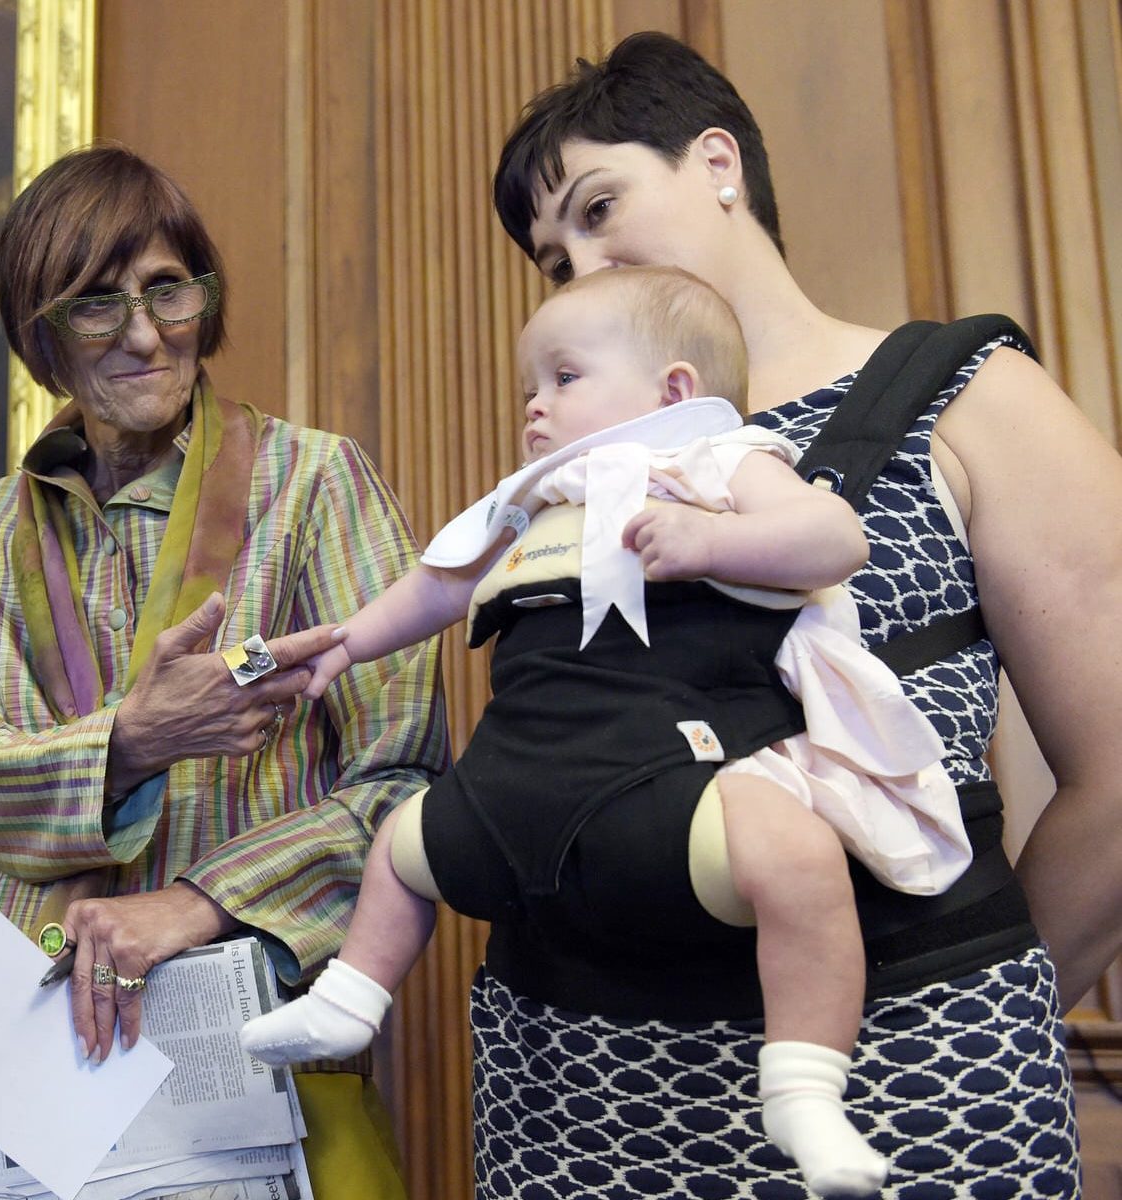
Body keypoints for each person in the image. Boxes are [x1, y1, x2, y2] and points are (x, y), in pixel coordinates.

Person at [434, 30, 1120, 1199]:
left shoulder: (965, 392)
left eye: (601, 208)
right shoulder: (575, 453)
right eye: (554, 258)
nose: (584, 264)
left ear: (717, 163)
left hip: (909, 1085)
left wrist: (975, 997)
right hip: (575, 1088)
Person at [242, 264, 977, 1196]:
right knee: (402, 840)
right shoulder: (533, 500)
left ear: (674, 391)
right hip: (510, 792)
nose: (535, 409)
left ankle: (803, 1085)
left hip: (663, 783)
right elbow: (440, 584)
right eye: (530, 390)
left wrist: (712, 541)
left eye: (564, 378)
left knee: (794, 853)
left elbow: (836, 541)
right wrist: (347, 642)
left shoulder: (714, 463)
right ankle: (351, 999)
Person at [0, 143, 449, 1199]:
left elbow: (406, 779)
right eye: (97, 305)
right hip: (20, 1049)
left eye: (167, 290)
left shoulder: (317, 483)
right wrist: (136, 739)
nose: (145, 334)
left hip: (246, 1042)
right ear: (39, 335)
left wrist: (196, 904)